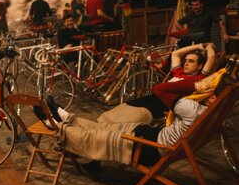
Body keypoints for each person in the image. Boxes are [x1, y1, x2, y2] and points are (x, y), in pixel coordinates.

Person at [35, 71, 229, 169]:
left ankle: (54, 123)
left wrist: (195, 84)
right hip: (149, 136)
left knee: (93, 137)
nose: (210, 97)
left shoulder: (193, 109)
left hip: (147, 148)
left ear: (212, 94)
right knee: (99, 127)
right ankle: (62, 114)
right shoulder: (215, 115)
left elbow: (159, 89)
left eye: (213, 95)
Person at [126, 43, 216, 119]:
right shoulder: (179, 72)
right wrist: (199, 46)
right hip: (156, 96)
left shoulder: (198, 78)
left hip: (166, 104)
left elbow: (211, 57)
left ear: (199, 66)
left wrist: (209, 46)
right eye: (185, 61)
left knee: (132, 112)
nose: (186, 63)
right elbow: (175, 54)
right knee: (128, 106)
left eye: (191, 61)